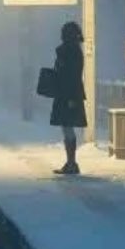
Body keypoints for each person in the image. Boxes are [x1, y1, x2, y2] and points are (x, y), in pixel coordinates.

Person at [50, 20, 87, 174]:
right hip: (70, 93)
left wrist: (71, 97)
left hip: (67, 94)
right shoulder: (76, 50)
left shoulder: (69, 51)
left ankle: (71, 163)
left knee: (67, 127)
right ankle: (71, 162)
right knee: (67, 127)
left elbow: (70, 75)